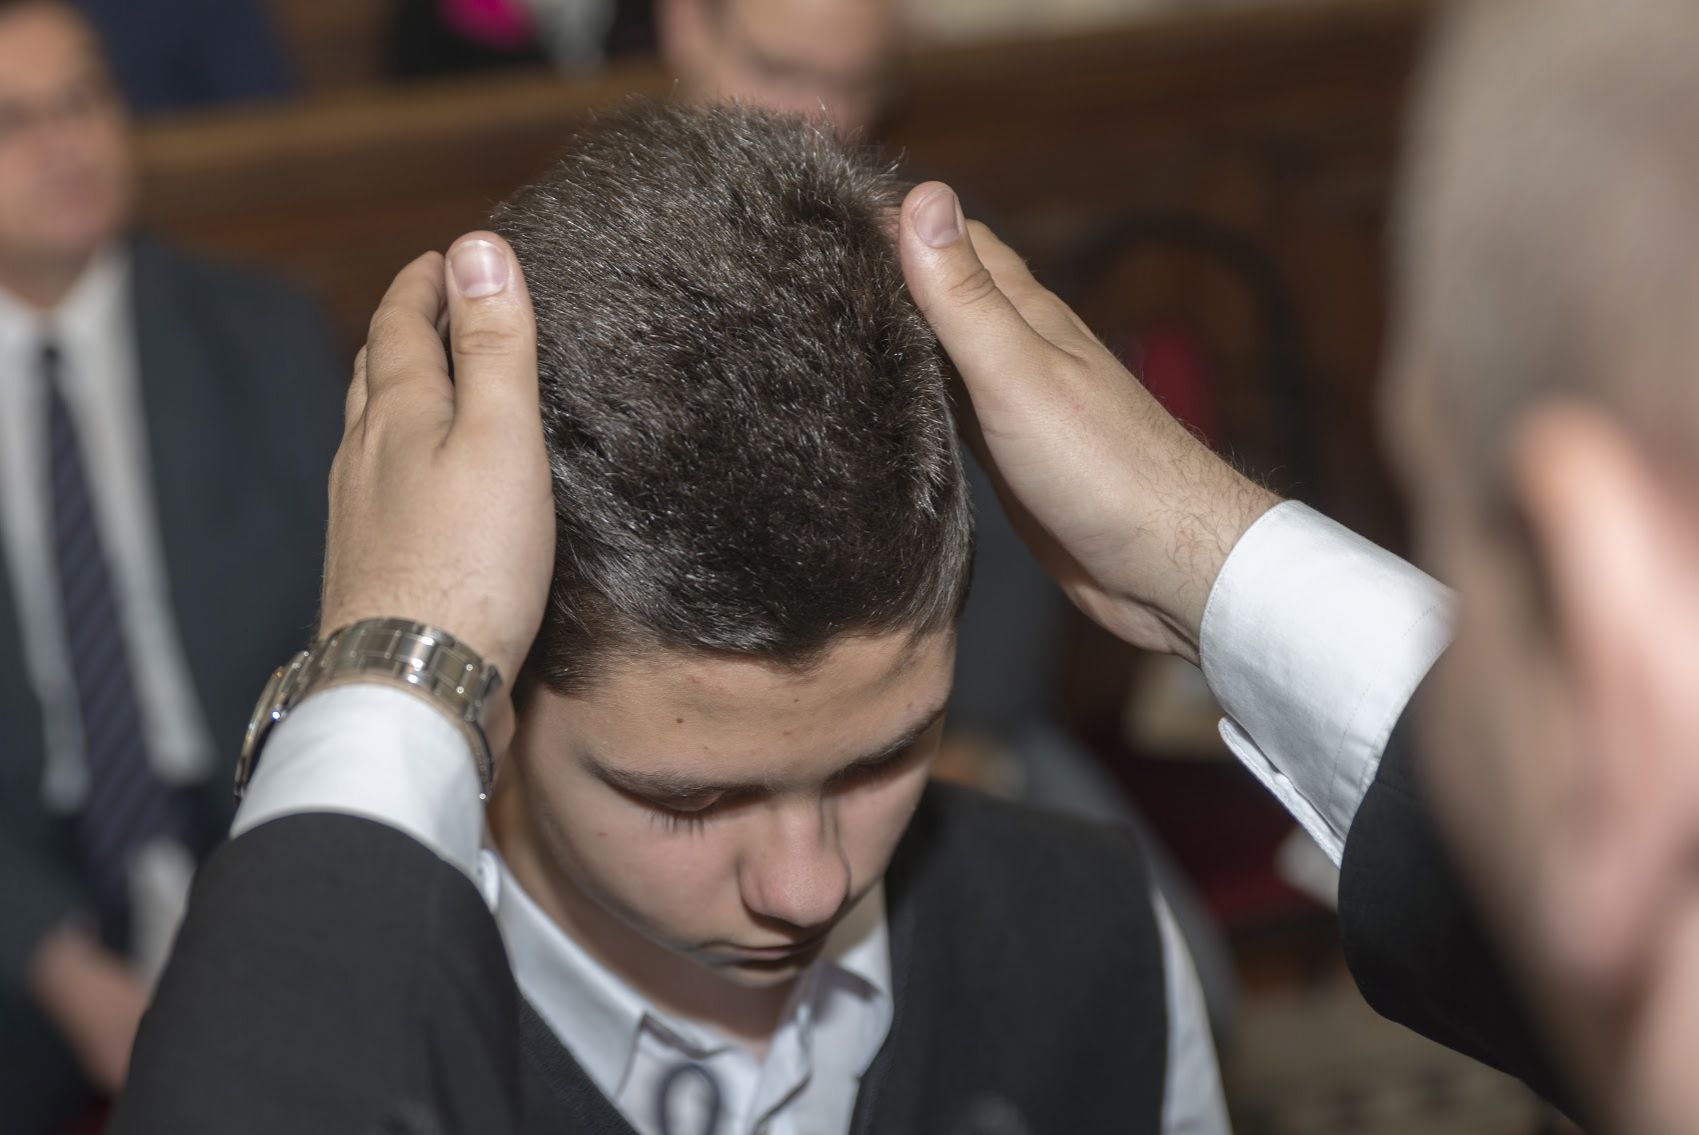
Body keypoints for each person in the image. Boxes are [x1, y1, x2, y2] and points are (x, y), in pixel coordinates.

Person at [0, 1, 341, 1129]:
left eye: (82, 99)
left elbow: (346, 636)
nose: (65, 144)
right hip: (26, 858)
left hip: (249, 816)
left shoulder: (265, 337)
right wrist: (49, 954)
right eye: (12, 120)